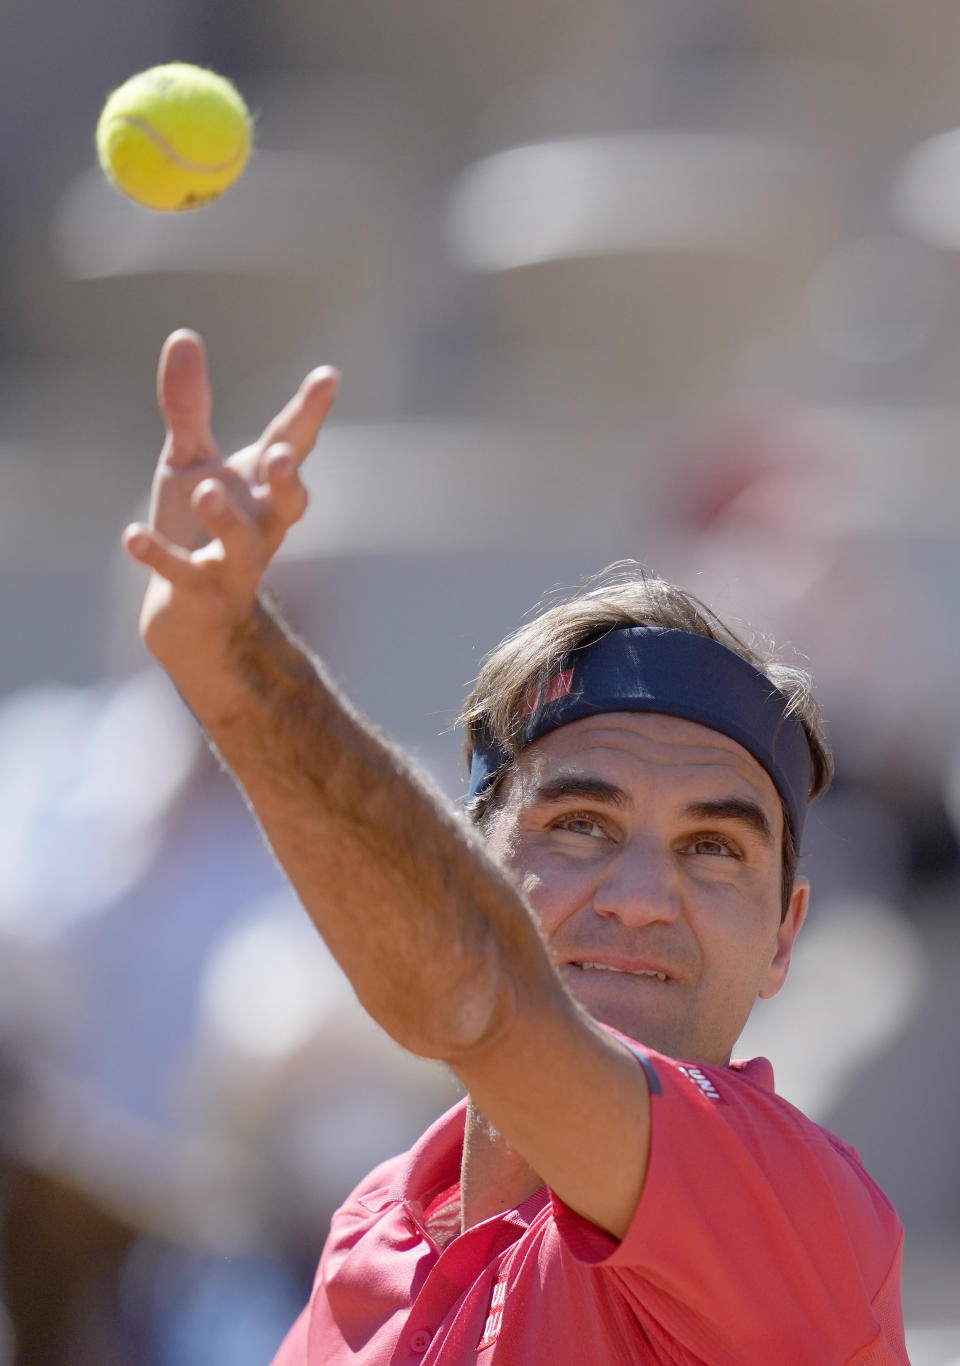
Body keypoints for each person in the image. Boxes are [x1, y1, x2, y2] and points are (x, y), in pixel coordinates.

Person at [123, 329, 908, 1365]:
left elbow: (478, 994)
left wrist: (235, 670)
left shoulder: (794, 1199)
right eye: (581, 826)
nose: (640, 897)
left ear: (783, 933)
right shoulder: (372, 1229)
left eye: (714, 849)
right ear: (477, 863)